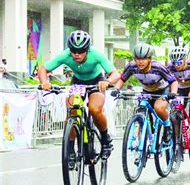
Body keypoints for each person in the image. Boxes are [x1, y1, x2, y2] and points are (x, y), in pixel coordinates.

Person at [39, 30, 121, 159]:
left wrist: (107, 81)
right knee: (72, 111)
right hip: (77, 82)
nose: (76, 55)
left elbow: (115, 74)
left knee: (95, 109)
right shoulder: (65, 55)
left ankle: (106, 140)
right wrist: (44, 82)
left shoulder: (96, 54)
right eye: (73, 51)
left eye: (81, 51)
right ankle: (70, 149)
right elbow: (44, 69)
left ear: (87, 50)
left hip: (96, 81)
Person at [115, 43, 178, 143]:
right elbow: (122, 79)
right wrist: (116, 90)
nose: (140, 62)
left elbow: (173, 81)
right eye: (138, 59)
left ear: (149, 58)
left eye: (144, 59)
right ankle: (141, 144)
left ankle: (167, 126)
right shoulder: (131, 66)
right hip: (147, 91)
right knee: (141, 109)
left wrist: (173, 93)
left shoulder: (157, 67)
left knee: (158, 108)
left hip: (162, 90)